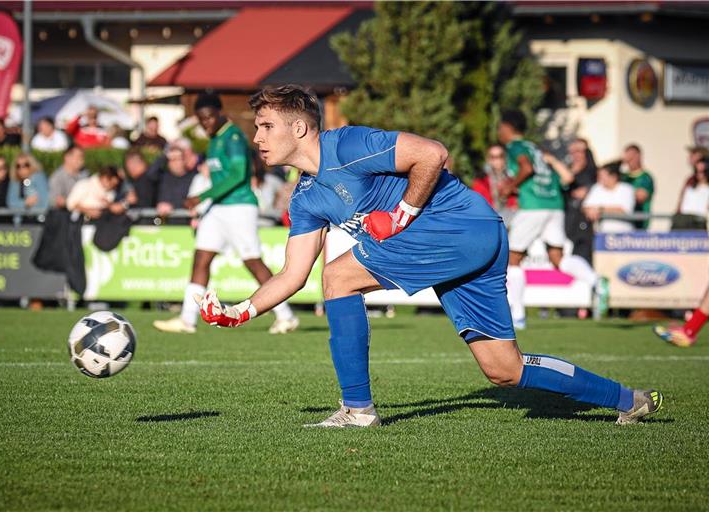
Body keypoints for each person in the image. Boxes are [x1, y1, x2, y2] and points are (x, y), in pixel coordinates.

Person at [193, 84, 662, 427]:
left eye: (265, 125)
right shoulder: (305, 197)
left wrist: (399, 216)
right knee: (504, 370)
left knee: (338, 277)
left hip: (463, 229)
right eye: (257, 127)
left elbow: (434, 153)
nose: (256, 136)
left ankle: (358, 410)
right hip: (469, 244)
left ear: (299, 127)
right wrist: (242, 310)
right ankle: (628, 400)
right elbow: (293, 274)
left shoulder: (348, 144)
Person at [154, 94, 298, 335]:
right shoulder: (214, 140)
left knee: (252, 261)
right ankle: (187, 319)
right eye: (201, 119)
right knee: (201, 258)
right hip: (218, 208)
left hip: (239, 207)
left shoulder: (233, 138)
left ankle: (286, 316)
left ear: (221, 113)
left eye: (209, 117)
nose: (206, 123)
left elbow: (238, 175)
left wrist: (202, 196)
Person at [497, 111, 607, 328]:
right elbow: (555, 176)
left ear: (509, 128)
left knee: (513, 259)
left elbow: (526, 168)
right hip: (554, 205)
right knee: (557, 258)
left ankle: (517, 316)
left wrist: (511, 186)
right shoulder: (535, 148)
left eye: (501, 127)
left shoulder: (516, 147)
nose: (499, 132)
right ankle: (596, 281)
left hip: (534, 207)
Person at [562, 138, 598, 264]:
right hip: (567, 221)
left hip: (584, 225)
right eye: (572, 151)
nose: (575, 155)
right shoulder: (567, 171)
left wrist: (589, 189)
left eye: (579, 151)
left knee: (582, 259)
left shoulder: (594, 173)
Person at [582, 163, 636, 233]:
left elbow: (624, 210)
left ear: (613, 177)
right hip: (602, 235)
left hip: (624, 235)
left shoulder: (627, 189)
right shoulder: (597, 188)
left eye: (602, 176)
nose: (598, 179)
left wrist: (600, 209)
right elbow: (585, 207)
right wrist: (591, 211)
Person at [471, 144, 517, 225]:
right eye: (493, 157)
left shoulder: (513, 178)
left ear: (505, 158)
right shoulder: (481, 180)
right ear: (488, 159)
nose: (497, 160)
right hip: (489, 219)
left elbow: (516, 203)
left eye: (500, 156)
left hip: (511, 217)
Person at [152, 143, 195, 218]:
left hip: (183, 223)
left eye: (176, 159)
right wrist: (164, 156)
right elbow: (149, 175)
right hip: (163, 223)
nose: (173, 163)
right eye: (170, 159)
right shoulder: (163, 177)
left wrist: (173, 206)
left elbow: (193, 200)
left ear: (184, 160)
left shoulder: (193, 178)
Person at [671, 150, 708, 231]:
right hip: (684, 219)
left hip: (699, 221)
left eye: (703, 172)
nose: (700, 175)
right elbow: (681, 200)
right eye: (697, 171)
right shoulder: (690, 181)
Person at [621, 144, 655, 230]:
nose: (630, 160)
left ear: (639, 156)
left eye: (632, 157)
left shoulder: (645, 177)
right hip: (623, 223)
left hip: (639, 222)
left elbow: (641, 196)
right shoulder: (623, 177)